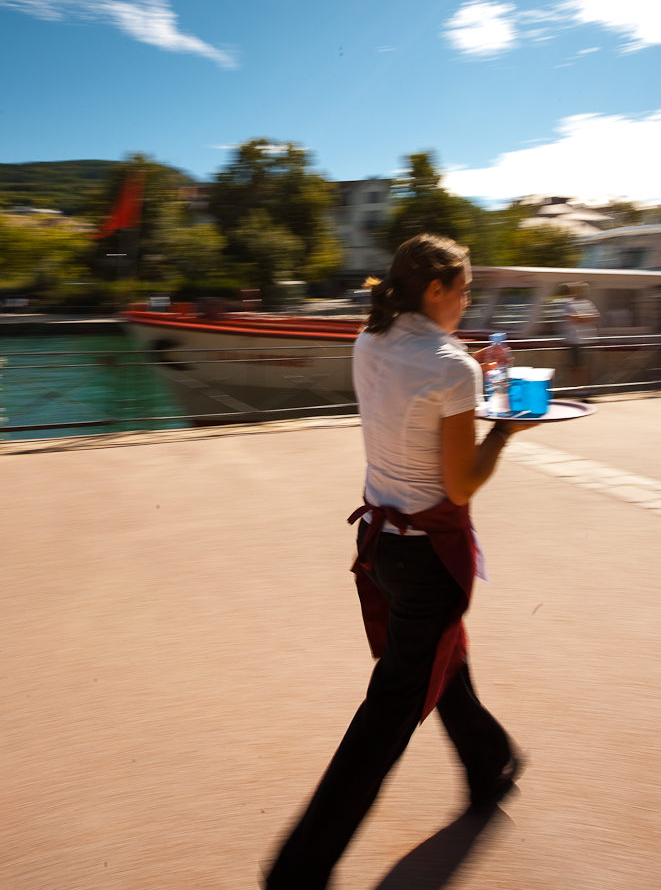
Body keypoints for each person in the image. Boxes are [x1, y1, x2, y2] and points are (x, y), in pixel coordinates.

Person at [264, 233, 538, 890]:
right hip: (428, 559)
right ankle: (298, 869)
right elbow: (463, 484)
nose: (470, 297)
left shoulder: (371, 339)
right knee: (390, 711)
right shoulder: (452, 369)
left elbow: (419, 380)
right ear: (436, 290)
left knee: (437, 663)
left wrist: (469, 364)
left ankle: (490, 761)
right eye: (464, 287)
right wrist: (505, 427)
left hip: (380, 548)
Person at [559, 282, 600, 391]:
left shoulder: (588, 303)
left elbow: (595, 317)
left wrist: (580, 317)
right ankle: (577, 390)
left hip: (588, 341)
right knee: (576, 368)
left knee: (586, 367)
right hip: (574, 341)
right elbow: (571, 318)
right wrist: (584, 317)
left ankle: (585, 390)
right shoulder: (567, 303)